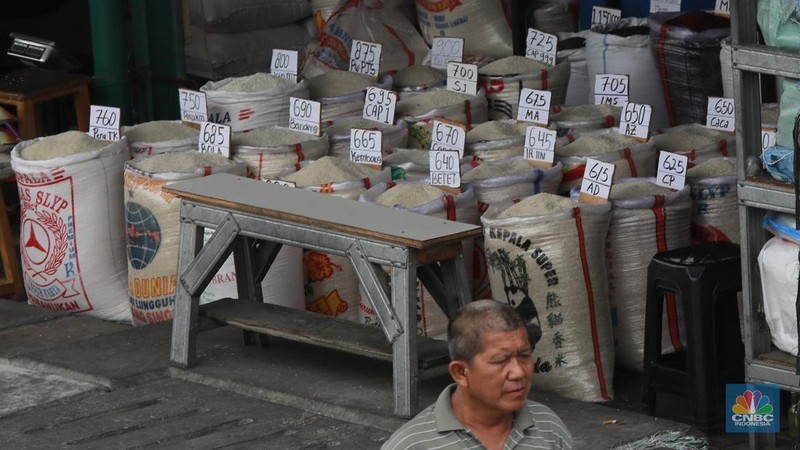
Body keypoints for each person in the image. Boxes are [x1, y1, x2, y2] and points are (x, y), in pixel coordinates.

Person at [381, 299, 573, 450]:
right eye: (501, 360)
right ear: (461, 372)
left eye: (524, 355)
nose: (518, 372)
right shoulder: (412, 444)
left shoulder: (548, 427)